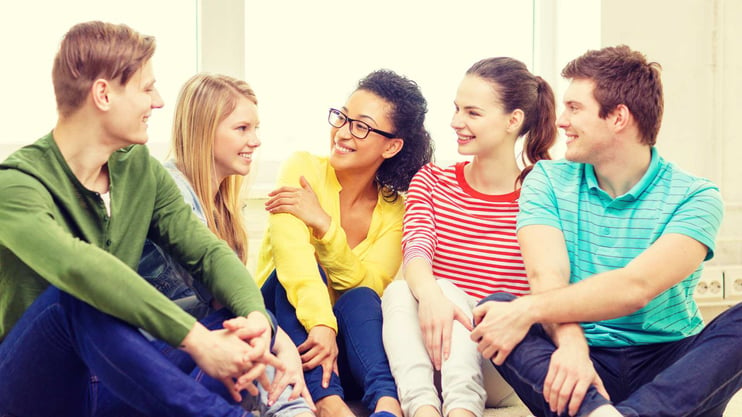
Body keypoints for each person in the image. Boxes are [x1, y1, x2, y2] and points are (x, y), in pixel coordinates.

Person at [0, 21, 284, 417]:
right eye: (147, 88)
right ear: (103, 94)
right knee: (77, 298)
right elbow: (80, 269)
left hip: (116, 375)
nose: (159, 102)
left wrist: (255, 321)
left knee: (238, 324)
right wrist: (198, 343)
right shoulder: (16, 185)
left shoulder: (140, 172)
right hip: (35, 388)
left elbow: (208, 253)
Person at [470, 45, 741, 417]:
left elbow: (636, 287)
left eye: (575, 108)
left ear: (618, 118)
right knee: (496, 309)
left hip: (670, 366)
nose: (561, 121)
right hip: (580, 366)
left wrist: (529, 310)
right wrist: (573, 346)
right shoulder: (546, 180)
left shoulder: (696, 196)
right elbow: (547, 276)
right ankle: (599, 412)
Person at [381, 57, 557, 417]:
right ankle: (424, 410)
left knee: (448, 292)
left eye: (472, 113)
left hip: (498, 361)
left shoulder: (540, 195)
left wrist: (446, 297)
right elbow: (415, 252)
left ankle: (462, 410)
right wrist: (432, 297)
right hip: (432, 351)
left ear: (514, 121)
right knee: (400, 290)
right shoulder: (431, 181)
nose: (456, 122)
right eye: (457, 108)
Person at [255, 69, 434, 417]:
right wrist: (321, 323)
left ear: (392, 145)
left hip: (345, 354)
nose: (342, 132)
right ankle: (328, 404)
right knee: (295, 276)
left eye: (361, 126)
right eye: (343, 117)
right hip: (285, 335)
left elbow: (371, 284)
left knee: (363, 297)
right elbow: (293, 263)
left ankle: (387, 402)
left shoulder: (396, 210)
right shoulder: (302, 168)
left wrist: (324, 226)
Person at [136, 72, 315, 416]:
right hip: (161, 350)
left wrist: (282, 341)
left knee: (275, 296)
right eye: (242, 128)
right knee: (245, 331)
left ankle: (301, 404)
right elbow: (216, 313)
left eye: (256, 129)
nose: (256, 141)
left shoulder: (222, 205)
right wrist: (280, 343)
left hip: (201, 345)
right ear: (205, 131)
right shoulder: (170, 190)